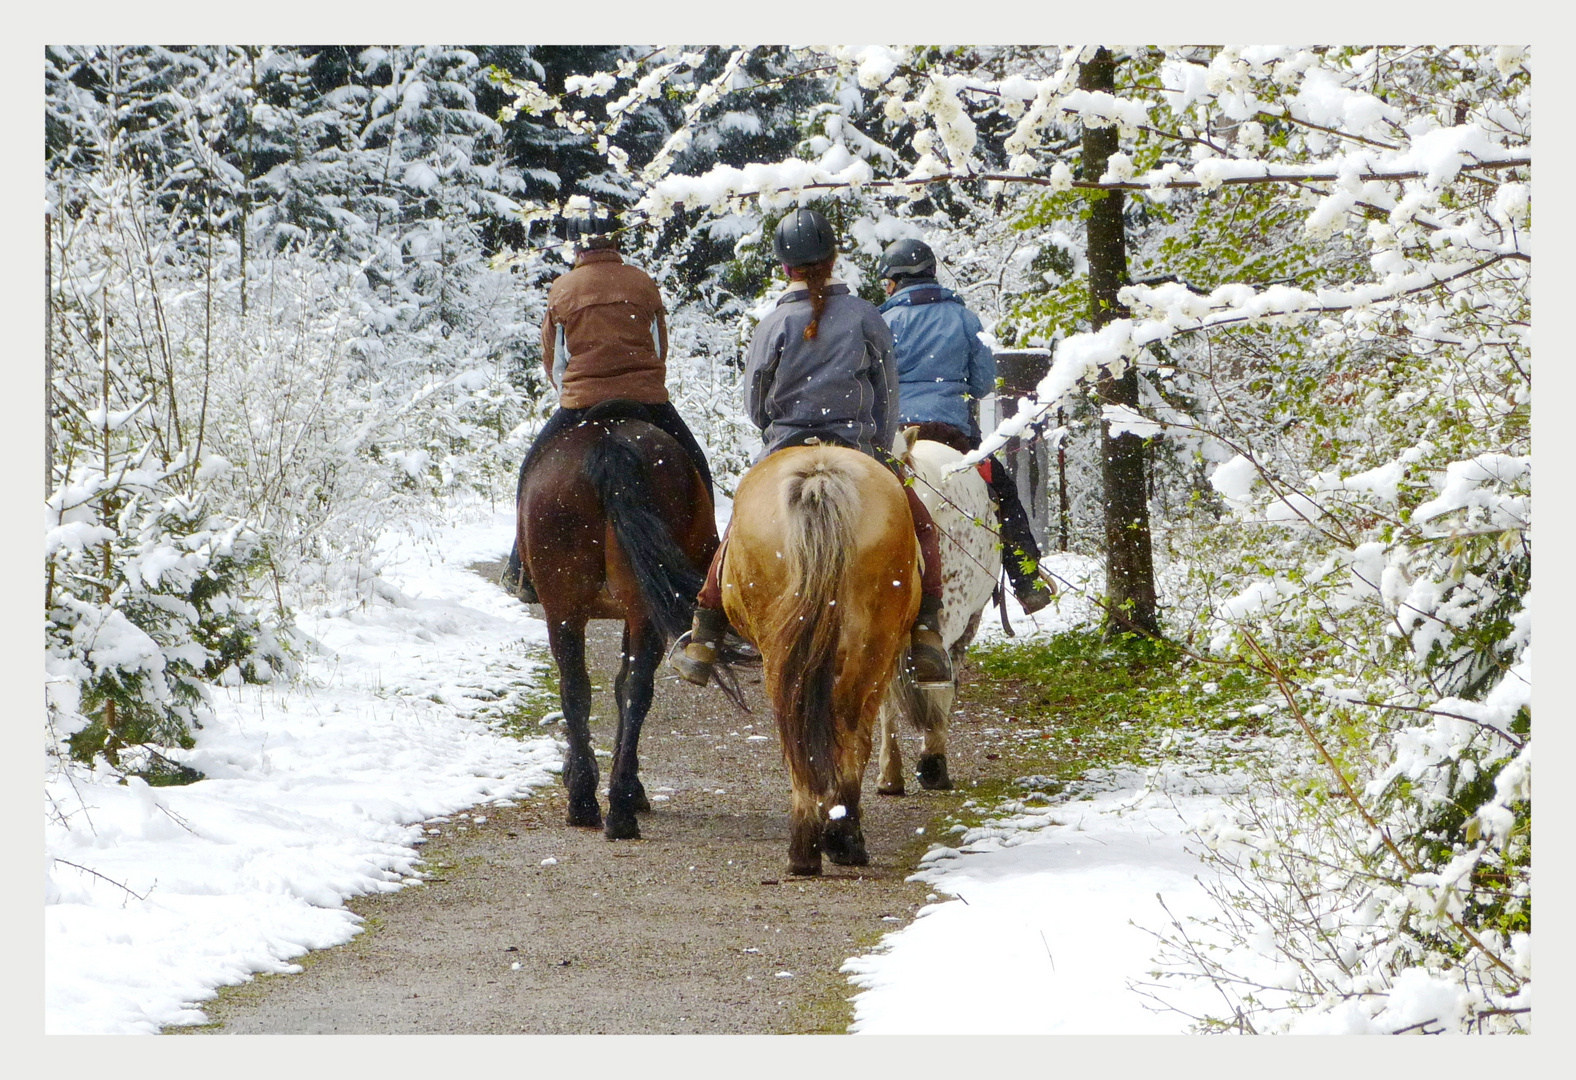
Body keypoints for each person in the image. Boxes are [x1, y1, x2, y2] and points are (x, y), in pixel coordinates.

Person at [670, 208, 953, 688]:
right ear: (833, 257)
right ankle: (926, 628)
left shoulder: (773, 323)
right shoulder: (866, 315)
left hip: (786, 443)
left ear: (785, 266)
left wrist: (781, 432)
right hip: (859, 446)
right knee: (918, 523)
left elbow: (755, 402)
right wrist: (878, 446)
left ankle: (707, 628)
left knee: (740, 527)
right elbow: (887, 395)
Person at [502, 205, 713, 603]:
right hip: (647, 401)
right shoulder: (643, 283)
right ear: (617, 239)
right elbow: (658, 346)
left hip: (581, 404)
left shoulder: (562, 289)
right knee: (695, 464)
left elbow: (556, 361)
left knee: (531, 470)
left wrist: (575, 392)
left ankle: (521, 567)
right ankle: (707, 558)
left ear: (576, 246)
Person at [875, 237, 1052, 614]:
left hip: (897, 436)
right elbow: (985, 382)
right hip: (952, 433)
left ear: (895, 279)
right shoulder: (965, 318)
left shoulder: (882, 322)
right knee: (1002, 492)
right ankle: (1028, 581)